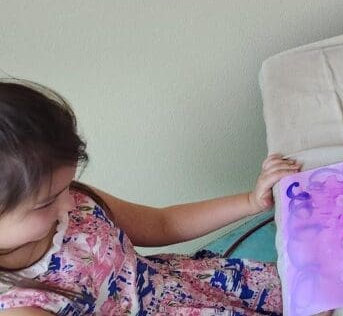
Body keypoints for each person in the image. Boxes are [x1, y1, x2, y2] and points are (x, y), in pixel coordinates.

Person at [0, 80, 299, 315]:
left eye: (67, 186)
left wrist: (250, 201)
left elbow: (163, 223)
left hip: (200, 289)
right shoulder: (20, 306)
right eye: (46, 202)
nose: (69, 204)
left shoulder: (75, 203)